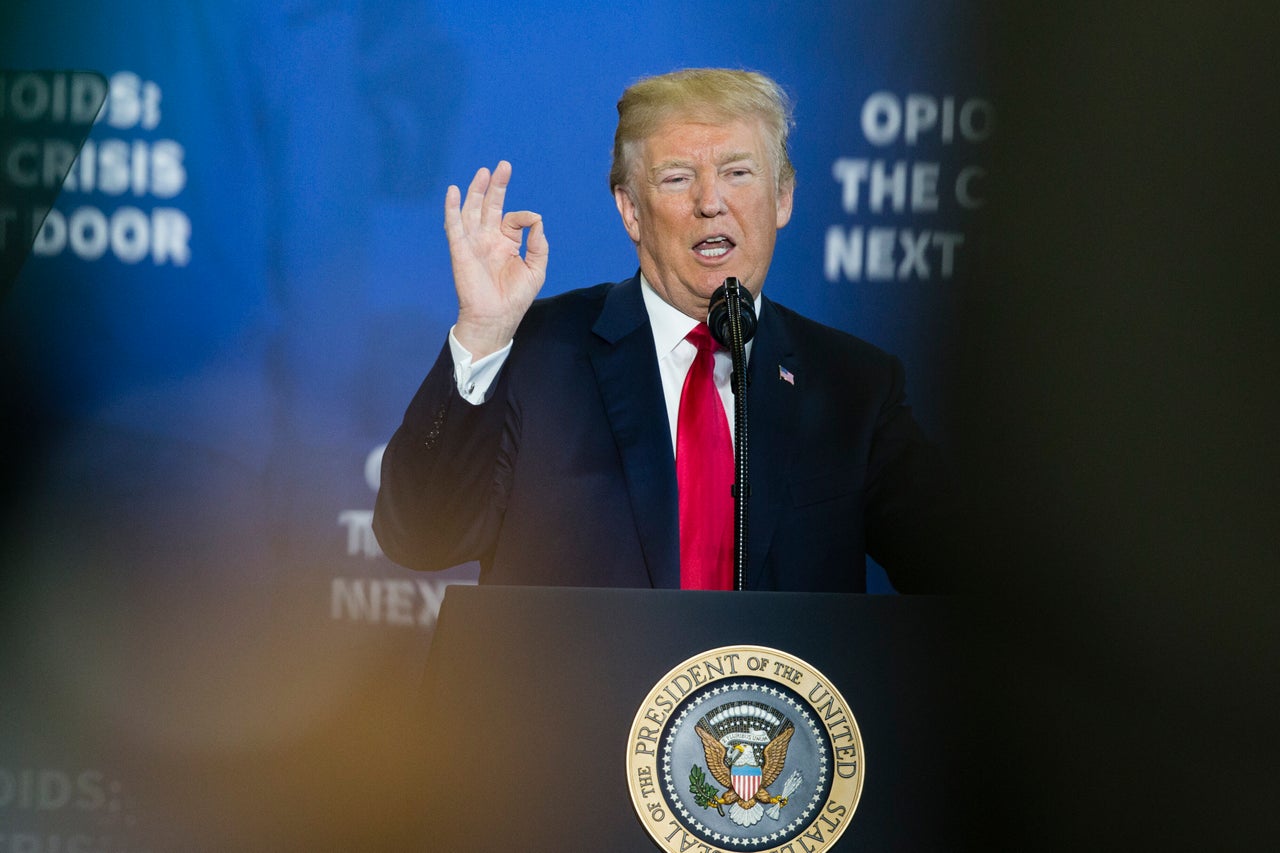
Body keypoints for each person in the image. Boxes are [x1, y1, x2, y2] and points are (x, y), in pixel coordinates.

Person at [373, 68, 954, 592]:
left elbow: (962, 575)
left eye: (738, 172)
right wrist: (483, 331)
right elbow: (422, 537)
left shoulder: (854, 385)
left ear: (782, 198)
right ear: (630, 210)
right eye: (677, 178)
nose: (711, 203)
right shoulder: (535, 352)